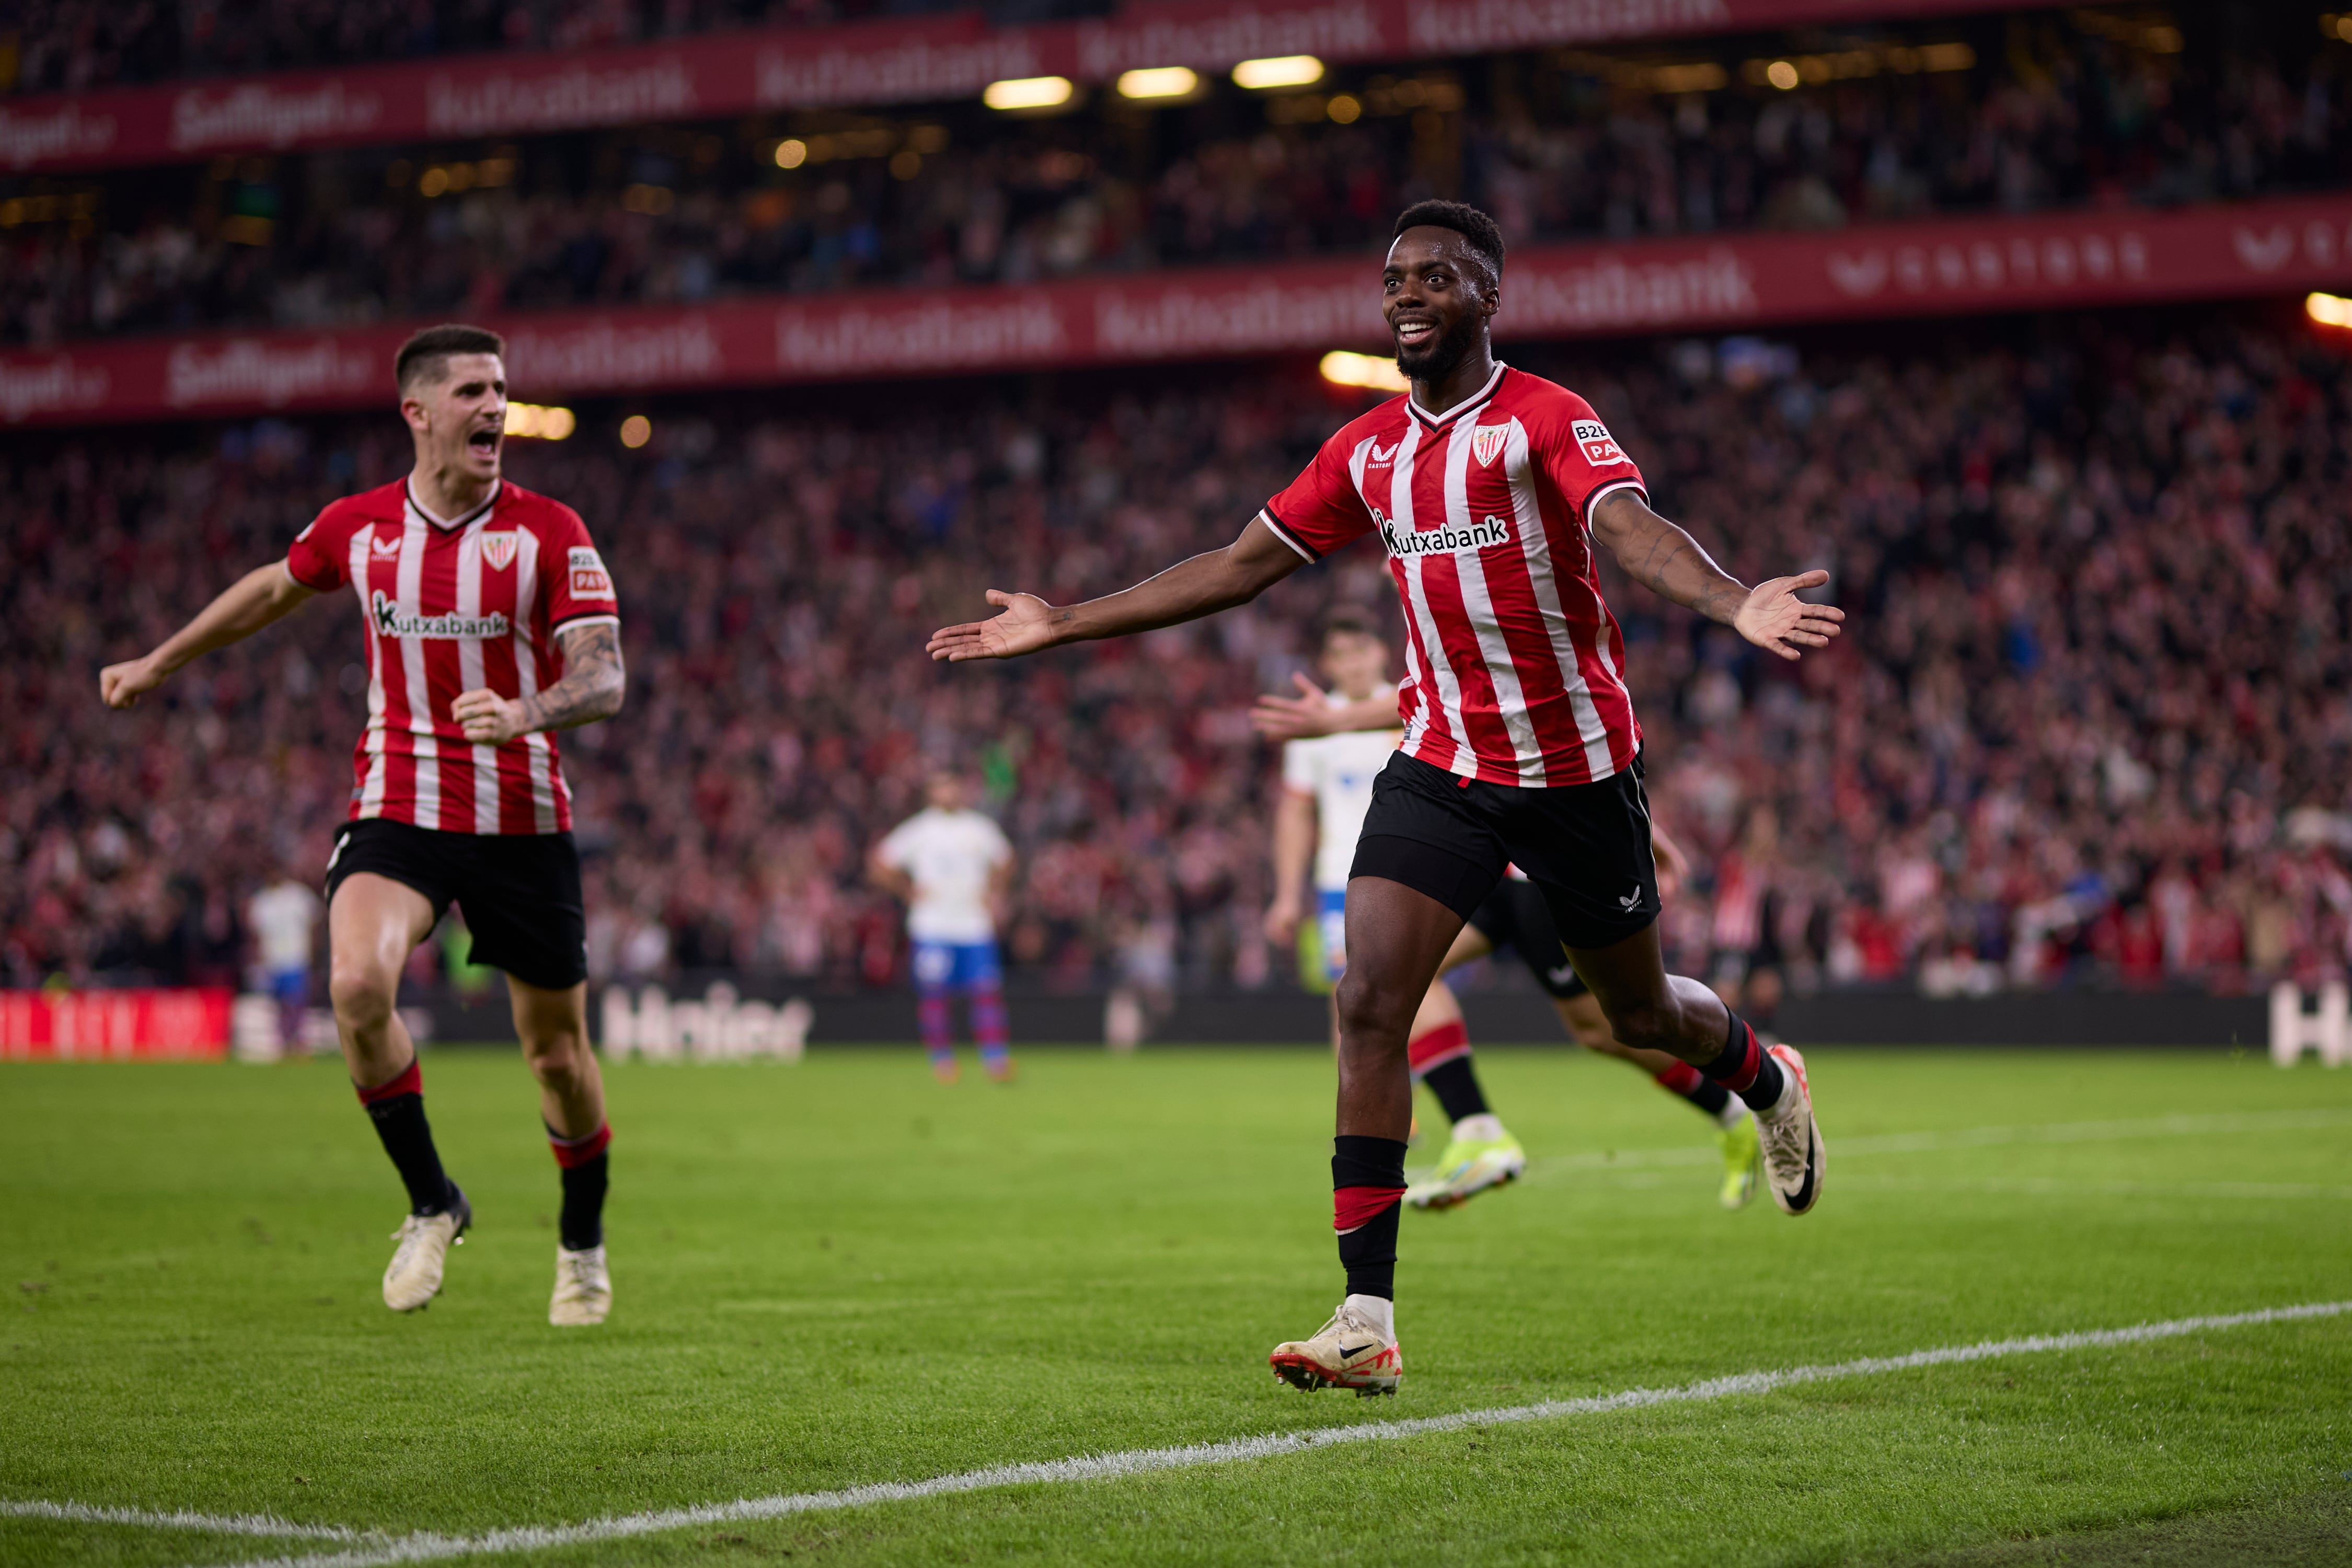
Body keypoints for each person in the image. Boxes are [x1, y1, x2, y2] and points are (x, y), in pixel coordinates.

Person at [928, 200, 1839, 1396]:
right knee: (1365, 999)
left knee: (1634, 1018)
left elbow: (1632, 532)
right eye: (1392, 278)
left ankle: (1765, 1079)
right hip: (1441, 769)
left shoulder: (1543, 420)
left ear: (1486, 297)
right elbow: (1235, 566)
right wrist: (1063, 622)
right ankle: (1365, 1316)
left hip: (1573, 776)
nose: (1405, 294)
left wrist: (1729, 602)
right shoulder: (1366, 452)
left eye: (1434, 277)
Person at [100, 324, 626, 1327]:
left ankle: (583, 1242)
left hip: (521, 817)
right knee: (352, 983)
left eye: (501, 389)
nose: (493, 408)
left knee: (557, 1057)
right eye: (472, 390)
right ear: (417, 413)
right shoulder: (361, 527)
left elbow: (605, 676)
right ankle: (433, 1201)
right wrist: (159, 662)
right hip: (401, 804)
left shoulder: (551, 529)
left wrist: (524, 711)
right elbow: (268, 590)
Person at [1256, 681, 1761, 1209]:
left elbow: (1570, 740)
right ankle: (1477, 1132)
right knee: (1391, 972)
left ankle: (1733, 1109)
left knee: (1605, 1029)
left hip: (1534, 875)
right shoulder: (1453, 639)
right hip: (1487, 861)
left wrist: (1643, 834)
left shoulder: (1501, 630)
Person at [1264, 612, 1525, 1209]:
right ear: (1329, 664)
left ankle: (1405, 1114)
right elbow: (1295, 814)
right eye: (1342, 656)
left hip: (1414, 870)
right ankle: (1383, 1115)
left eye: (1361, 652)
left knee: (1392, 989)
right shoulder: (1315, 726)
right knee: (1353, 994)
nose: (1353, 664)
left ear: (1379, 654)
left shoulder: (1411, 704)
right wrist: (1285, 893)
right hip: (1339, 881)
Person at [871, 771, 1017, 1083]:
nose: (947, 792)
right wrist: (907, 891)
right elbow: (880, 863)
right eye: (940, 787)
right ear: (931, 793)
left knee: (985, 993)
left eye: (951, 786)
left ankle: (996, 1059)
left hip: (974, 925)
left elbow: (1006, 860)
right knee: (935, 995)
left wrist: (995, 893)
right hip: (932, 927)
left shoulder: (978, 827)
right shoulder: (920, 830)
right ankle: (943, 1061)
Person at [247, 867, 322, 1055]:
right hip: (274, 961)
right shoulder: (262, 901)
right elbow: (257, 934)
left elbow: (315, 923)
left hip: (296, 958)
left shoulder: (298, 895)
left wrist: (313, 951)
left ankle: (298, 1040)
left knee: (296, 1002)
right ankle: (284, 1042)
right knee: (280, 1004)